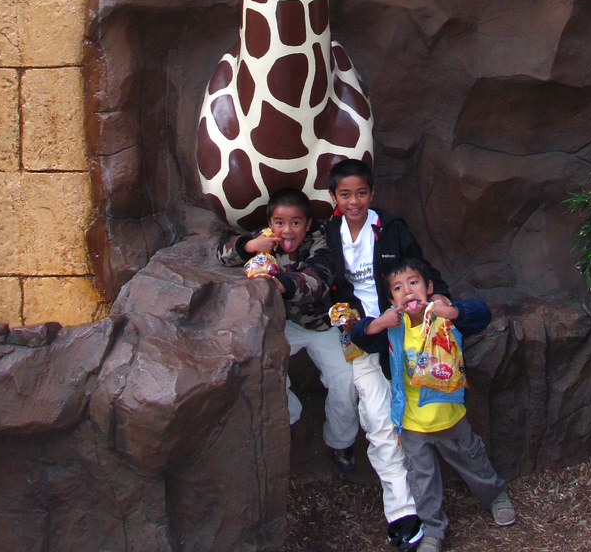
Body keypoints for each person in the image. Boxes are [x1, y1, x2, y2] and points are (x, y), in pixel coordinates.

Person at [324, 159, 451, 551]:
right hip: (360, 337)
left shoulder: (391, 230)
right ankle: (404, 515)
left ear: (372, 193)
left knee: (405, 416)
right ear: (334, 198)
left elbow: (419, 267)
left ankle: (417, 503)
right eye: (345, 194)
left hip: (401, 334)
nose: (354, 201)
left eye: (361, 193)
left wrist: (440, 293)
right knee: (379, 419)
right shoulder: (327, 234)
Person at [352, 256, 516, 552]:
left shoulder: (443, 317)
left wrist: (451, 311)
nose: (408, 291)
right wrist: (378, 323)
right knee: (421, 482)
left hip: (451, 418)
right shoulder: (394, 327)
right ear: (391, 298)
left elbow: (482, 314)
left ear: (428, 287)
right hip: (413, 426)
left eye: (414, 283)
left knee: (473, 460)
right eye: (398, 288)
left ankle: (495, 496)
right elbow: (358, 335)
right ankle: (433, 530)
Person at [218, 187, 359, 473]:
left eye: (295, 223)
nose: (286, 230)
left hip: (321, 324)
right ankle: (291, 416)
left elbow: (318, 280)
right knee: (259, 362)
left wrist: (282, 284)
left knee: (345, 381)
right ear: (270, 223)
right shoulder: (266, 238)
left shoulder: (320, 242)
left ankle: (340, 440)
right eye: (279, 223)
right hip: (282, 326)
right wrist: (249, 246)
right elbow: (223, 253)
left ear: (307, 225)